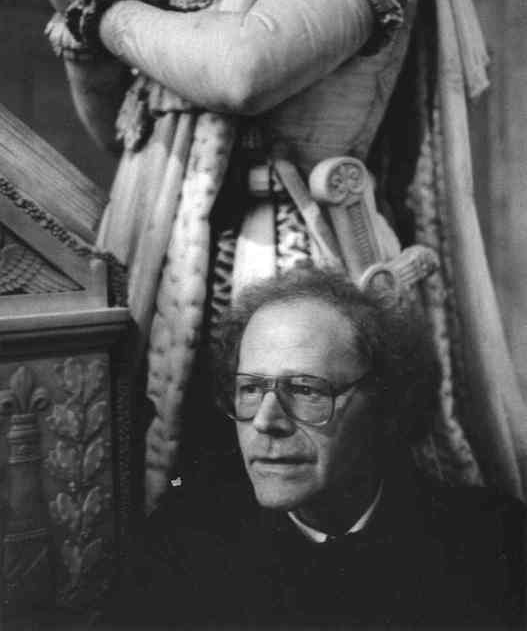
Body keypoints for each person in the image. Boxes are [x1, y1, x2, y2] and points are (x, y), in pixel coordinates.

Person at [18, 0, 527, 513]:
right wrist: (81, 22)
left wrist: (101, 2)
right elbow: (131, 130)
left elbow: (243, 72)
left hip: (301, 257)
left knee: (304, 485)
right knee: (187, 499)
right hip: (170, 264)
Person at [103, 267, 525, 630]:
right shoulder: (179, 549)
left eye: (306, 389)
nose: (266, 420)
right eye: (250, 389)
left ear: (385, 403)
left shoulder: (493, 548)